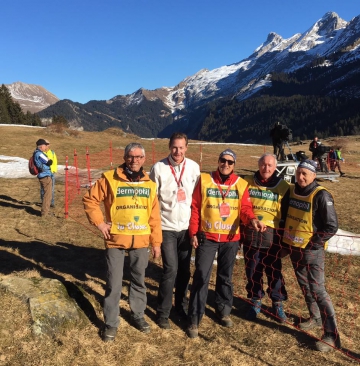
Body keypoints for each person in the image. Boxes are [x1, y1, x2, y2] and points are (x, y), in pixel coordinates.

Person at [83, 142, 162, 342]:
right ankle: (110, 323)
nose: (134, 160)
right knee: (114, 283)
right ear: (125, 157)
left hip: (142, 240)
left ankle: (137, 315)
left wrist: (156, 242)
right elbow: (90, 200)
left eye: (138, 157)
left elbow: (154, 217)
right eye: (131, 156)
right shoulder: (110, 178)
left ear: (144, 159)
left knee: (138, 281)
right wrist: (100, 223)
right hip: (115, 240)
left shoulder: (150, 185)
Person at [186, 149, 266, 338]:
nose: (226, 164)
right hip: (208, 237)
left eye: (230, 162)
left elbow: (245, 209)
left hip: (231, 239)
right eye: (223, 160)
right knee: (201, 276)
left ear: (234, 165)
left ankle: (223, 310)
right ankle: (195, 318)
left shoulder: (241, 184)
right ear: (218, 161)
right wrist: (193, 232)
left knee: (225, 277)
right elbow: (196, 207)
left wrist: (252, 220)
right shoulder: (204, 180)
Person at [282, 159, 340, 352]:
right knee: (304, 285)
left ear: (314, 175)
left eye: (305, 174)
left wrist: (313, 243)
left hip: (312, 251)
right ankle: (314, 317)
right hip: (293, 247)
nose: (301, 177)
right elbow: (285, 216)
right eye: (299, 173)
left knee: (318, 291)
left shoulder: (321, 195)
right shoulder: (291, 191)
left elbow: (331, 226)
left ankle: (331, 334)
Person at [149, 132, 200, 330]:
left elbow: (196, 200)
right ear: (169, 147)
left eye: (181, 147)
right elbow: (152, 201)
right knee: (171, 269)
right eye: (174, 147)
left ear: (187, 148)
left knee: (185, 271)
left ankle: (181, 306)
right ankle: (162, 312)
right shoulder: (159, 168)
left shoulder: (194, 168)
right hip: (167, 227)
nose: (177, 151)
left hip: (186, 228)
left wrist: (196, 229)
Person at [242, 153, 289, 323]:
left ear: (275, 167)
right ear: (258, 164)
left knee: (274, 270)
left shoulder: (283, 186)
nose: (266, 168)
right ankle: (255, 300)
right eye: (263, 164)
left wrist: (285, 242)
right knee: (253, 269)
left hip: (273, 237)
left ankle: (277, 303)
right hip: (251, 234)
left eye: (270, 165)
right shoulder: (246, 181)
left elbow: (286, 216)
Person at [33, 139, 53, 217]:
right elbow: (49, 162)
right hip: (45, 176)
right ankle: (45, 213)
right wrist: (49, 160)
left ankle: (45, 211)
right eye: (45, 145)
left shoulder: (37, 153)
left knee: (47, 194)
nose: (46, 147)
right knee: (47, 195)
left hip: (43, 175)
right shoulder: (39, 154)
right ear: (41, 146)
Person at [40, 140, 58, 207]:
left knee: (52, 188)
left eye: (48, 144)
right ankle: (43, 201)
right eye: (46, 144)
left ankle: (51, 202)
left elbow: (55, 162)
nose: (47, 145)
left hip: (51, 173)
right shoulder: (41, 153)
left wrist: (54, 170)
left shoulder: (52, 153)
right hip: (44, 173)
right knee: (43, 188)